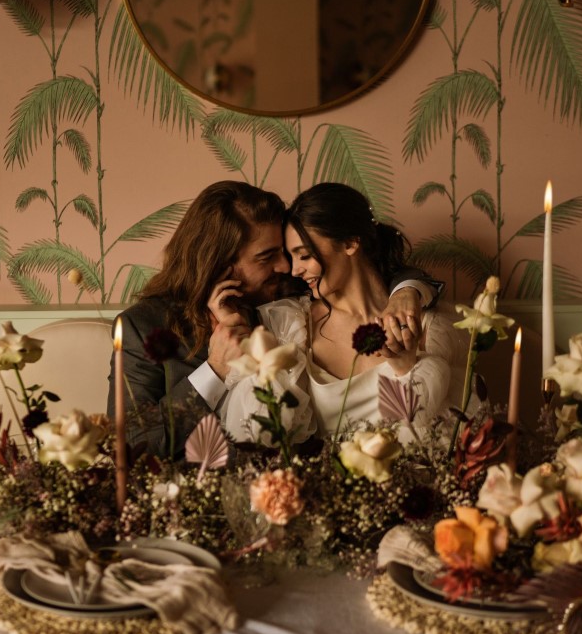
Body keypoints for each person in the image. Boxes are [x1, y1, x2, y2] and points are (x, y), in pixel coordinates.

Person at [109, 180, 440, 457]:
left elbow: (363, 267)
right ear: (218, 264)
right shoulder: (141, 328)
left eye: (287, 253)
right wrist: (216, 369)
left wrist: (407, 290)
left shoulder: (281, 297)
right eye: (267, 257)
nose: (285, 267)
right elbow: (130, 444)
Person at [219, 183, 456, 444]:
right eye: (291, 257)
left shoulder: (422, 320)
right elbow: (257, 430)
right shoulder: (291, 326)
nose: (293, 270)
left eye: (304, 255)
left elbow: (442, 431)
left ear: (350, 242)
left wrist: (405, 366)